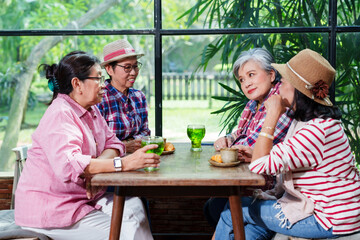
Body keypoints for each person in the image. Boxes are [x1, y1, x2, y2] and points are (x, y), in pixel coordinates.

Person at [214, 49, 360, 240]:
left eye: (283, 82)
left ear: (298, 90)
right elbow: (291, 156)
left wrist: (272, 115)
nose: (279, 87)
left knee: (231, 213)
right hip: (324, 209)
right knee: (248, 229)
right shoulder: (310, 122)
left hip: (329, 218)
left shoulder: (315, 131)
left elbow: (259, 166)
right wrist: (255, 152)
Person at [14, 51, 160, 240]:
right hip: (54, 209)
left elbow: (114, 143)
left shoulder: (89, 109)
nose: (103, 86)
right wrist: (123, 164)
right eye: (98, 79)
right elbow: (70, 165)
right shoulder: (60, 113)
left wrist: (93, 168)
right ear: (77, 84)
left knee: (133, 207)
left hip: (84, 198)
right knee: (122, 234)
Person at [204, 48, 293, 227]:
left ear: (271, 74)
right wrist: (229, 138)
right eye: (242, 80)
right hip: (249, 176)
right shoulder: (253, 104)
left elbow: (251, 146)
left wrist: (232, 146)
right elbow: (242, 135)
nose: (246, 84)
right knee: (212, 206)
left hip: (270, 184)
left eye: (251, 75)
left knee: (217, 207)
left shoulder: (279, 103)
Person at [97, 39, 150, 153]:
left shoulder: (139, 97)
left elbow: (146, 133)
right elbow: (96, 143)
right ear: (109, 69)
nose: (133, 72)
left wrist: (130, 143)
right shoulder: (99, 99)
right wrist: (124, 145)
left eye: (135, 66)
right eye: (127, 67)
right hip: (108, 165)